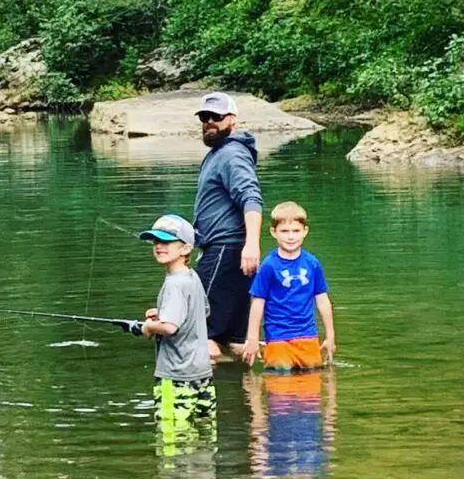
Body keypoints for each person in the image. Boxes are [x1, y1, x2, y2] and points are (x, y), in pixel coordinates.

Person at [130, 214, 216, 447]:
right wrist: (163, 312)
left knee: (172, 440)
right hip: (202, 374)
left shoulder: (174, 283)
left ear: (186, 247)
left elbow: (169, 327)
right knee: (205, 438)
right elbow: (201, 311)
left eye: (166, 241)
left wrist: (149, 326)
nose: (159, 246)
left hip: (176, 376)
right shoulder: (192, 277)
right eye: (156, 241)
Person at [192, 92, 263, 362]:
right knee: (234, 340)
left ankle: (209, 397)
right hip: (231, 252)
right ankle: (248, 394)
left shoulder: (231, 154)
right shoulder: (220, 153)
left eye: (217, 117)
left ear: (232, 119)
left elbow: (251, 198)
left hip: (225, 250)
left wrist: (252, 245)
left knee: (198, 330)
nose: (210, 122)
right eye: (205, 117)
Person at [241, 201, 336, 370]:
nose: (291, 237)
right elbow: (257, 303)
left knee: (312, 382)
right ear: (273, 232)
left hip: (308, 335)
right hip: (278, 337)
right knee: (280, 382)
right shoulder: (269, 266)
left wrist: (330, 336)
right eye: (284, 231)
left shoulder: (312, 264)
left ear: (305, 232)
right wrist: (253, 339)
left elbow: (323, 300)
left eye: (296, 231)